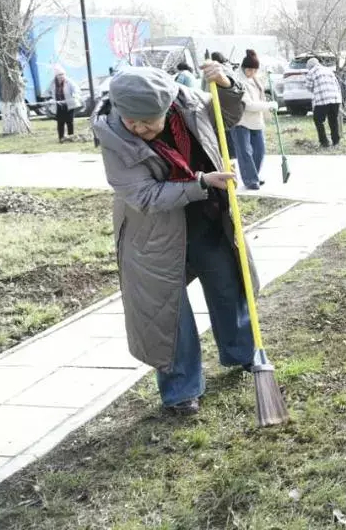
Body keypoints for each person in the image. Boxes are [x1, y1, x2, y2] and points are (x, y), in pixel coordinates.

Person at [91, 64, 257, 416]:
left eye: (146, 122)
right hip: (152, 235)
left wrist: (227, 85)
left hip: (206, 219)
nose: (138, 129)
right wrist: (200, 183)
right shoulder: (114, 137)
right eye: (132, 121)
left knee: (227, 286)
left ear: (167, 108)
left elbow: (226, 116)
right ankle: (181, 390)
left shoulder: (190, 103)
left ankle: (243, 353)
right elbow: (144, 196)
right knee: (168, 312)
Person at [232, 50, 278, 190]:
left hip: (256, 121)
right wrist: (269, 105)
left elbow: (259, 95)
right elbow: (248, 105)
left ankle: (254, 175)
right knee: (245, 152)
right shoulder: (238, 81)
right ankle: (250, 180)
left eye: (254, 70)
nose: (252, 73)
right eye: (249, 70)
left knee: (259, 150)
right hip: (241, 121)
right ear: (243, 68)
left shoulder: (255, 79)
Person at [304, 57, 342, 147]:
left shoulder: (311, 72)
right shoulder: (328, 70)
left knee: (318, 120)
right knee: (333, 120)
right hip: (335, 98)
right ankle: (336, 141)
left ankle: (324, 142)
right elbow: (337, 84)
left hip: (322, 100)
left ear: (310, 66)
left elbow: (309, 87)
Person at [48, 66, 83, 142]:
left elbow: (76, 89)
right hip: (58, 105)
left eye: (62, 74)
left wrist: (75, 95)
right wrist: (50, 99)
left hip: (69, 104)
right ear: (56, 76)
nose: (61, 76)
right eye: (59, 75)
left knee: (69, 122)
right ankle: (61, 138)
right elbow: (48, 92)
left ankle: (71, 138)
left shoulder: (69, 81)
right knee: (60, 122)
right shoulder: (52, 83)